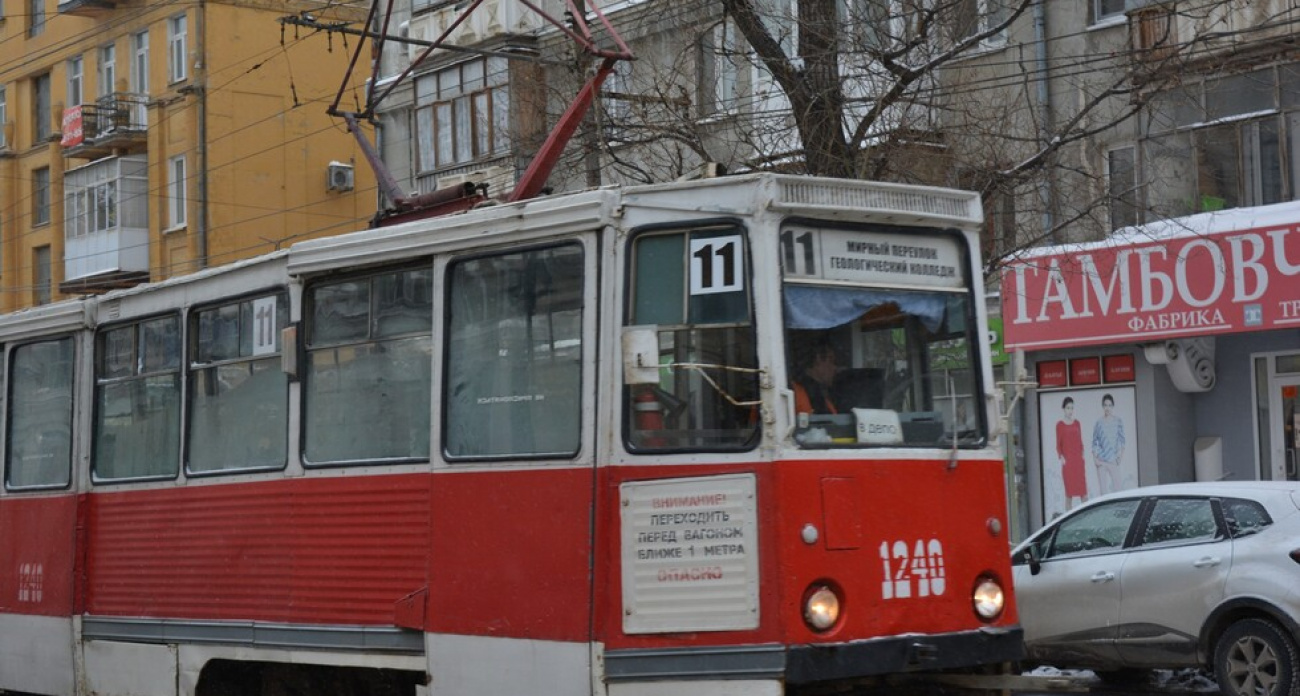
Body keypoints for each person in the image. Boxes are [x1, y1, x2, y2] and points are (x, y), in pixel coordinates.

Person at [1055, 397, 1087, 510]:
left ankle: (1087, 516)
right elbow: (1058, 444)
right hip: (1068, 463)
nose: (1070, 410)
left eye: (1072, 408)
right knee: (1069, 495)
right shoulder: (1060, 425)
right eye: (1068, 408)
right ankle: (1068, 517)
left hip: (1078, 462)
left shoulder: (1077, 423)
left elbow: (1080, 441)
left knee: (1084, 494)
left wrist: (1082, 455)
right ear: (1064, 409)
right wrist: (1062, 457)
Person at [1091, 393, 1126, 495]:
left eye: (1110, 405)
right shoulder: (1099, 423)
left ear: (1113, 406)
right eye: (1105, 405)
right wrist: (1095, 459)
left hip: (1113, 459)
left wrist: (1120, 457)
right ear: (1103, 406)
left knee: (1118, 488)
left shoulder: (1118, 421)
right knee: (1103, 491)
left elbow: (1122, 441)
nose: (1107, 408)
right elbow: (1094, 442)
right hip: (1101, 460)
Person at [793, 340, 839, 416]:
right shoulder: (798, 391)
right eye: (831, 361)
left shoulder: (822, 392)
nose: (835, 368)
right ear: (818, 359)